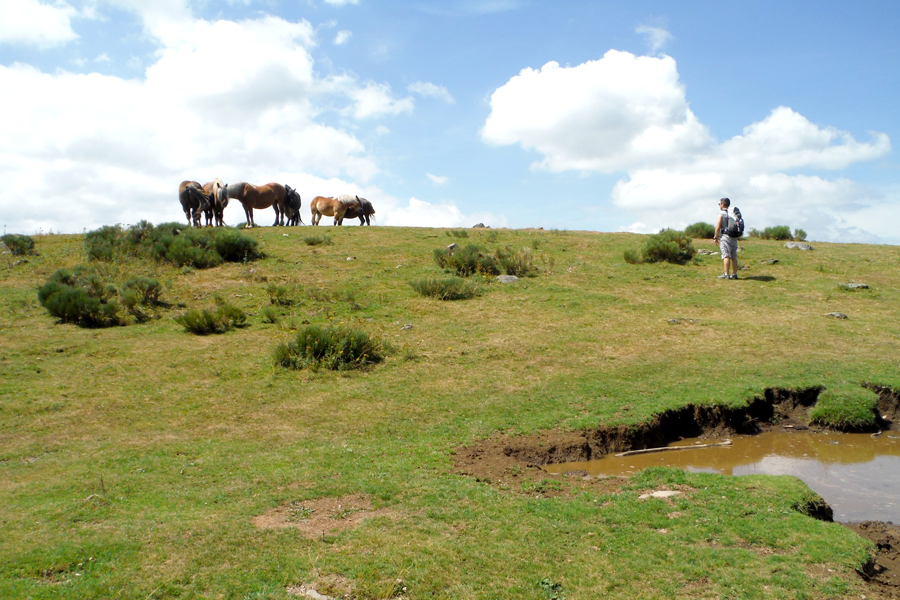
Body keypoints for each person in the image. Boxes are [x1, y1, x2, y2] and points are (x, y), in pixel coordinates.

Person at [714, 197, 739, 279]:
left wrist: (715, 237)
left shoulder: (721, 213)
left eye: (719, 203)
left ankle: (726, 274)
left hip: (725, 236)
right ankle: (734, 274)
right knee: (734, 256)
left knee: (726, 255)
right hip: (734, 237)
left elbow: (718, 225)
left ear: (722, 204)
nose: (719, 205)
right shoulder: (732, 214)